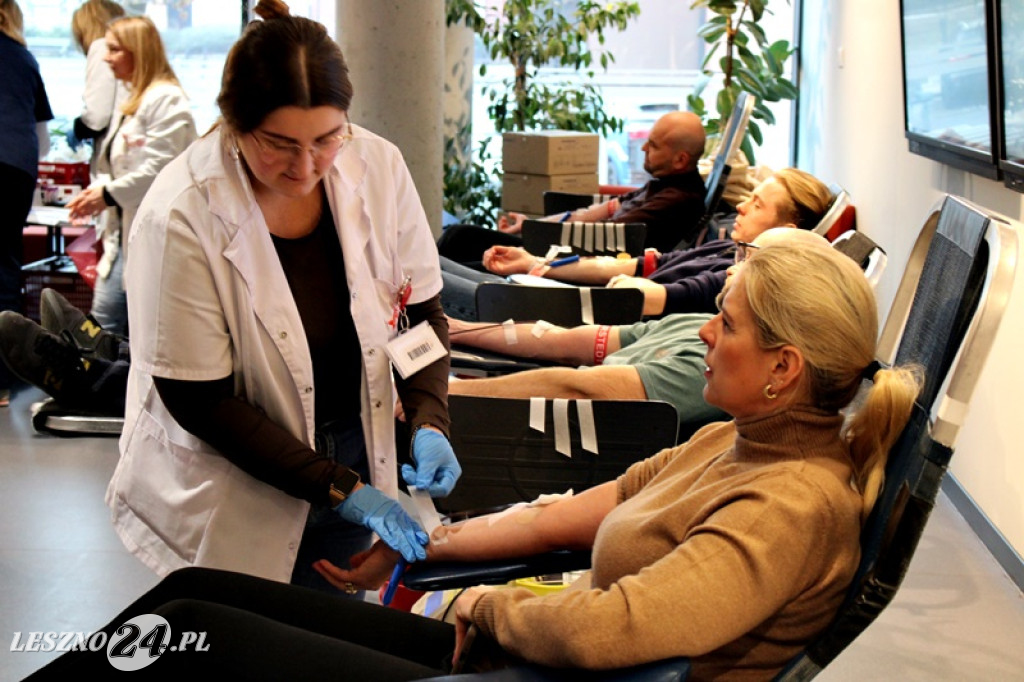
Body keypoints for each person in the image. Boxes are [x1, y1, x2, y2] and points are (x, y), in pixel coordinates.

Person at [25, 240, 922, 681]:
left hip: (549, 672)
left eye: (725, 322)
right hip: (523, 654)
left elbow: (615, 632)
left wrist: (489, 604)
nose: (707, 333)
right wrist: (418, 543)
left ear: (783, 369)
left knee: (204, 641)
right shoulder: (732, 441)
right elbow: (573, 511)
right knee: (205, 595)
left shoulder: (792, 505)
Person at [103, 0, 459, 594]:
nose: (307, 166)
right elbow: (201, 399)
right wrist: (342, 489)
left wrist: (430, 418)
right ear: (235, 125)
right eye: (280, 144)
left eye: (327, 138)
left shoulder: (378, 166)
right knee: (251, 638)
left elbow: (420, 312)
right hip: (239, 469)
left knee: (330, 636)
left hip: (353, 443)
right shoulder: (182, 212)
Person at [441, 167, 833, 319]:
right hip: (568, 297)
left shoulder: (735, 278)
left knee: (434, 278)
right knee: (442, 263)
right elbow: (628, 266)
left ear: (790, 229)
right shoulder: (727, 249)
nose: (742, 206)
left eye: (758, 204)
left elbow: (645, 294)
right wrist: (534, 262)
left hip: (573, 314)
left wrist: (549, 275)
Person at [65, 14, 197, 336]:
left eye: (114, 50)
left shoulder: (167, 100)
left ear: (138, 51)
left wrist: (106, 195)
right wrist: (102, 191)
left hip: (150, 234)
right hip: (124, 233)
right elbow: (116, 164)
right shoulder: (131, 101)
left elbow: (160, 169)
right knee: (104, 329)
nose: (106, 58)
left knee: (108, 330)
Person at [437, 110, 709, 264]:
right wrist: (532, 223)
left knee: (457, 244)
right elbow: (605, 209)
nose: (644, 148)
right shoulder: (664, 184)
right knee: (458, 237)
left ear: (680, 159)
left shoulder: (678, 199)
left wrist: (539, 230)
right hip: (564, 242)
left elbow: (609, 236)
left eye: (655, 145)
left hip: (569, 257)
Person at [0, 0, 53, 408]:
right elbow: (43, 135)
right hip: (16, 168)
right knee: (5, 263)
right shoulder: (24, 58)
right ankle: (3, 379)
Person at [66, 0, 128, 171]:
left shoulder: (102, 48)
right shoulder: (129, 53)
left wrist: (78, 130)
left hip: (117, 163)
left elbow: (96, 117)